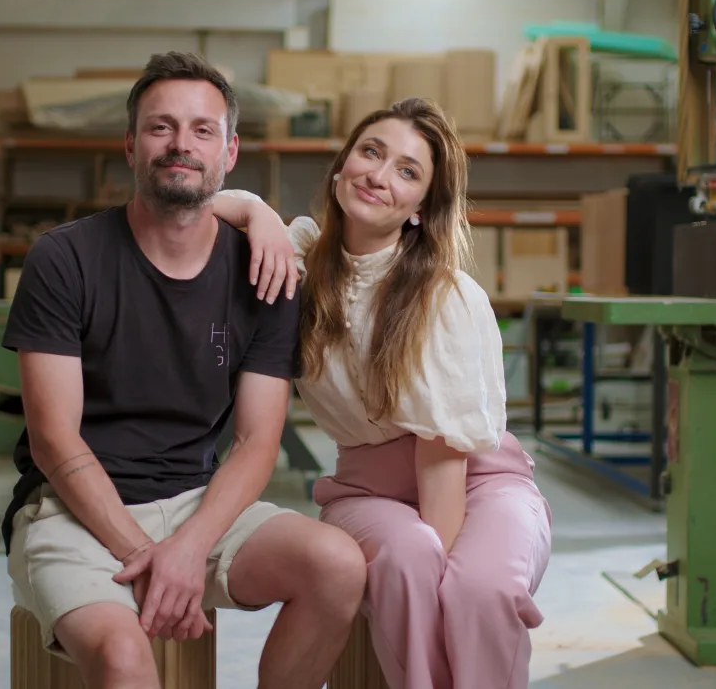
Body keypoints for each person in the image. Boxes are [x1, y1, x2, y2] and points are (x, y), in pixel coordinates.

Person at [0, 51, 367, 689]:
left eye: (202, 130)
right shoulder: (64, 260)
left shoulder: (268, 275)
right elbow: (54, 440)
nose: (180, 145)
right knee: (122, 659)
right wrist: (147, 557)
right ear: (130, 145)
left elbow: (257, 442)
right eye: (160, 126)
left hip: (197, 504)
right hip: (73, 512)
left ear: (229, 153)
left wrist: (190, 545)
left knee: (336, 565)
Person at [212, 97, 554, 689]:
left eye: (407, 171)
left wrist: (443, 587)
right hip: (365, 490)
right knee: (406, 557)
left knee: (477, 587)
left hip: (476, 482)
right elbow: (183, 215)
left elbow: (442, 467)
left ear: (422, 208)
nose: (379, 175)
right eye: (371, 152)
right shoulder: (295, 261)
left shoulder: (445, 298)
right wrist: (253, 208)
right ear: (341, 165)